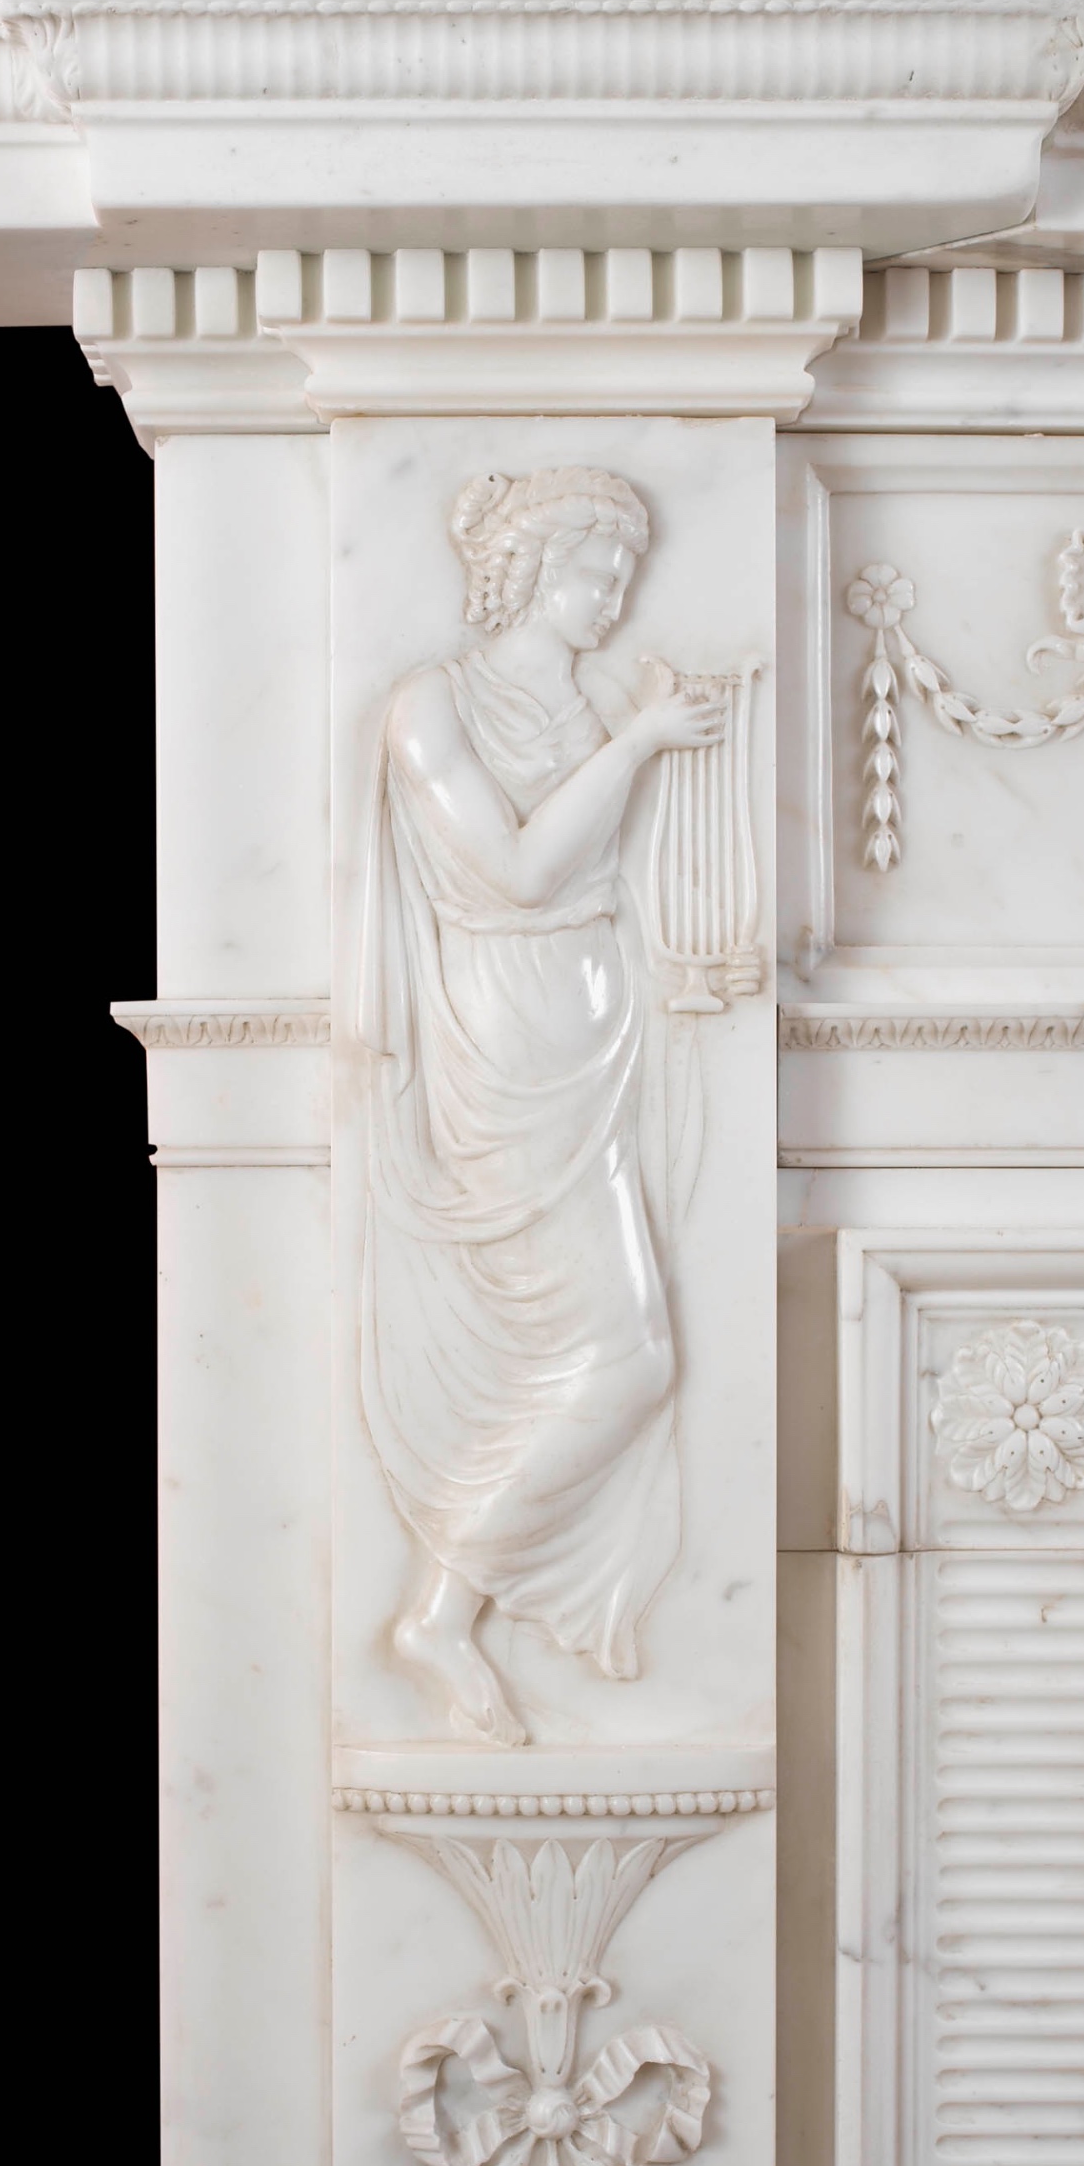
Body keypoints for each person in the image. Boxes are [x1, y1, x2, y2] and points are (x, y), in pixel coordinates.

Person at [357, 467, 725, 1745]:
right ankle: (435, 1614)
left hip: (592, 1017)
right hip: (505, 1035)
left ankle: (444, 1608)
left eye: (626, 574)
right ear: (524, 569)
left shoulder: (586, 698)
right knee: (625, 1356)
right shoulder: (430, 703)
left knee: (633, 1352)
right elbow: (516, 869)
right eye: (593, 570)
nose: (613, 596)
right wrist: (639, 743)